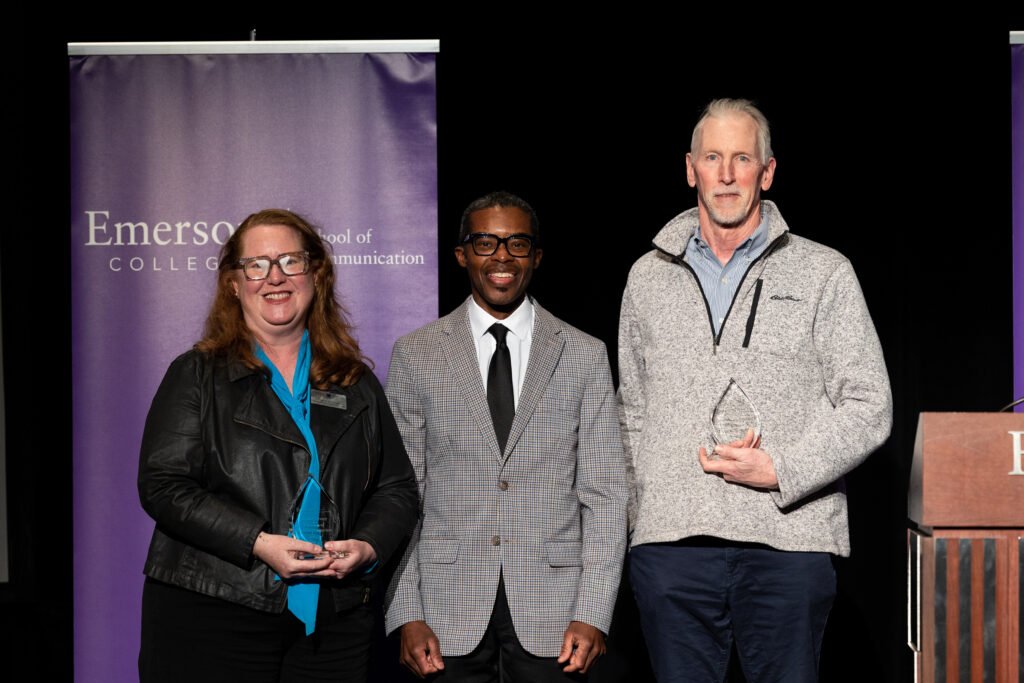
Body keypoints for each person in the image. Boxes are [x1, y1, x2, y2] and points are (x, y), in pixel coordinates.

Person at [617, 99, 893, 682]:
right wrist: (642, 519)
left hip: (787, 544)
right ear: (689, 167)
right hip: (671, 548)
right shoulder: (646, 277)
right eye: (712, 157)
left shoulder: (824, 271)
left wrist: (784, 469)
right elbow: (632, 412)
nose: (725, 173)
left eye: (741, 158)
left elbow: (870, 403)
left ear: (766, 173)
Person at [137, 208, 418, 682]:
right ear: (234, 283)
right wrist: (259, 543)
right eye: (257, 265)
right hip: (214, 613)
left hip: (335, 623)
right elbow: (163, 485)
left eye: (290, 261)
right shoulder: (197, 374)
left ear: (316, 273)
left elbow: (397, 489)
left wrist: (368, 546)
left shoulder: (356, 382)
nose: (275, 277)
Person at [384, 191, 628, 680]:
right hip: (444, 609)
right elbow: (400, 494)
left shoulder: (583, 353)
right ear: (461, 255)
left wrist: (594, 611)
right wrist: (405, 611)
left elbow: (606, 494)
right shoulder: (416, 354)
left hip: (556, 614)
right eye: (485, 242)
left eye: (517, 243)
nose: (501, 256)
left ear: (536, 256)